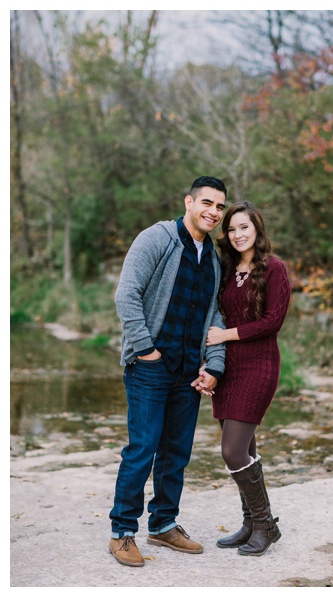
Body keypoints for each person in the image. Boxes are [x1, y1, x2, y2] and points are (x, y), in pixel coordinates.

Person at [109, 176, 228, 567]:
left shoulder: (212, 257)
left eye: (220, 207)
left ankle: (163, 525)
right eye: (207, 203)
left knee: (176, 453)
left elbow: (215, 313)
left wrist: (213, 363)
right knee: (142, 449)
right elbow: (126, 294)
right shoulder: (156, 239)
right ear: (189, 202)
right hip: (151, 366)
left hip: (187, 371)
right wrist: (146, 350)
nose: (213, 212)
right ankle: (122, 532)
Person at [205, 201, 291, 556]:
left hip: (258, 367)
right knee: (246, 451)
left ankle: (266, 523)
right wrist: (211, 362)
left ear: (257, 230)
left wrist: (225, 336)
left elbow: (273, 322)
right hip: (228, 368)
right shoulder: (225, 268)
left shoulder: (274, 269)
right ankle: (250, 524)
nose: (238, 234)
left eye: (245, 227)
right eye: (232, 229)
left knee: (232, 450)